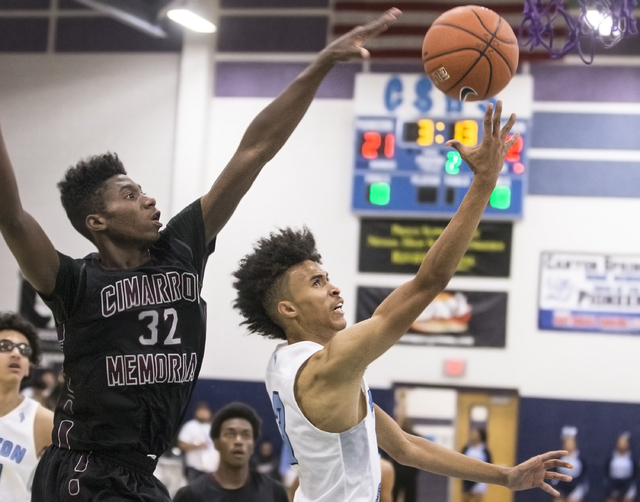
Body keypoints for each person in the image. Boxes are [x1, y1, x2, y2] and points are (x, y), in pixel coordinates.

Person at [0, 7, 400, 501]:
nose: (147, 198)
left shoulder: (180, 249)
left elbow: (254, 149)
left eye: (142, 189)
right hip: (84, 467)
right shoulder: (74, 282)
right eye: (129, 194)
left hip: (141, 472)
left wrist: (319, 65)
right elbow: (13, 216)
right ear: (96, 222)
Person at [233, 102, 574, 502]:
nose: (335, 289)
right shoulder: (332, 365)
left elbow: (405, 448)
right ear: (287, 309)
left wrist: (506, 476)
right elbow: (429, 282)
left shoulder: (285, 365)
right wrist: (484, 182)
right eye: (318, 283)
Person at [173, 402, 288, 502]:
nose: (238, 441)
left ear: (253, 445)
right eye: (230, 434)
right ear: (216, 443)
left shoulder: (274, 492)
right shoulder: (190, 495)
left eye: (246, 435)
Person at [0, 312, 54, 502]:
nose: (16, 353)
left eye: (24, 350)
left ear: (29, 366)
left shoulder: (43, 421)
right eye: (5, 346)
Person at [178, 402, 219, 482]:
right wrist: (198, 446)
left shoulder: (213, 427)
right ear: (196, 413)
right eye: (201, 411)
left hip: (212, 469)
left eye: (205, 411)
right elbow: (181, 445)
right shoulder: (190, 426)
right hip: (195, 468)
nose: (203, 414)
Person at [553, 435, 588, 502]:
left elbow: (583, 477)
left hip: (575, 486)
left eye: (571, 442)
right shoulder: (558, 459)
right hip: (561, 486)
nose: (569, 445)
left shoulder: (580, 460)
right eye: (567, 443)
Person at [461, 428, 493, 502]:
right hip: (467, 478)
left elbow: (490, 463)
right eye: (471, 433)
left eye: (474, 433)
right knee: (465, 499)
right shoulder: (466, 448)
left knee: (477, 499)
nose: (472, 435)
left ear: (480, 436)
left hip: (480, 479)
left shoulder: (484, 450)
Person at [605, 433, 636, 502]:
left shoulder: (632, 460)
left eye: (624, 443)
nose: (622, 445)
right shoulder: (611, 459)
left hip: (627, 484)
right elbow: (607, 472)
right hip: (613, 484)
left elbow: (635, 474)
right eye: (620, 443)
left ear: (628, 444)